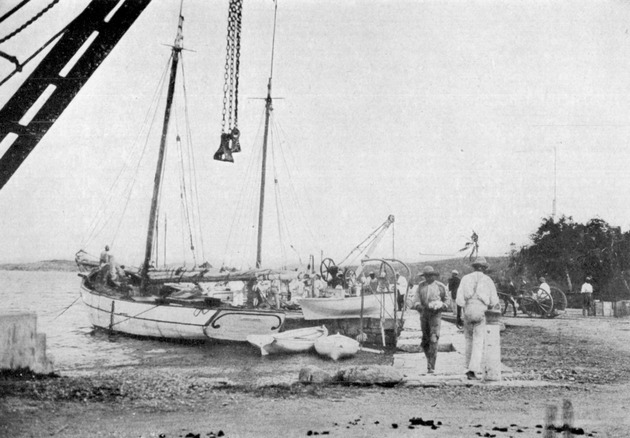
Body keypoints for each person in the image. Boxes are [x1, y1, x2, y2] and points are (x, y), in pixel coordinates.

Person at [456, 256, 499, 380]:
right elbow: (493, 300)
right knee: (479, 341)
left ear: (474, 267)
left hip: (468, 309)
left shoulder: (465, 278)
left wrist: (459, 316)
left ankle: (468, 368)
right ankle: (473, 369)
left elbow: (459, 300)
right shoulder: (487, 280)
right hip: (481, 309)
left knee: (468, 340)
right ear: (484, 268)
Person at [406, 266, 448, 374]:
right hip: (424, 314)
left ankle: (431, 365)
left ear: (434, 275)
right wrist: (418, 306)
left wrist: (442, 305)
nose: (429, 278)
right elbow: (416, 299)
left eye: (431, 275)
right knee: (425, 340)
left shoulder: (440, 286)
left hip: (435, 315)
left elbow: (446, 300)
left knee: (434, 338)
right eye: (426, 276)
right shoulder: (421, 286)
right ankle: (428, 358)